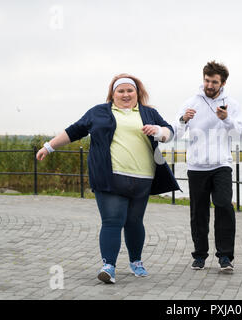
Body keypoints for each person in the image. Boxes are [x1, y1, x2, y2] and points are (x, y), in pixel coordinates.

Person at [36, 73, 180, 284]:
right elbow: (74, 130)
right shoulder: (99, 112)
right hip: (110, 178)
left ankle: (136, 262)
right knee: (112, 221)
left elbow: (169, 132)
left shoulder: (149, 113)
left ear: (137, 93)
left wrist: (158, 131)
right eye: (120, 91)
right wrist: (49, 146)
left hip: (143, 178)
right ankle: (108, 267)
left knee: (134, 222)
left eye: (129, 90)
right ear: (112, 94)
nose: (125, 94)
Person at [174, 61, 242, 272]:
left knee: (224, 206)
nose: (210, 85)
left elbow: (239, 134)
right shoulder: (191, 103)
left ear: (222, 83)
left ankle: (225, 257)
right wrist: (183, 120)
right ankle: (199, 256)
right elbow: (176, 134)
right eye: (207, 80)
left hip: (222, 164)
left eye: (214, 82)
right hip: (196, 166)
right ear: (203, 79)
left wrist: (227, 119)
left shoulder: (232, 104)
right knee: (199, 213)